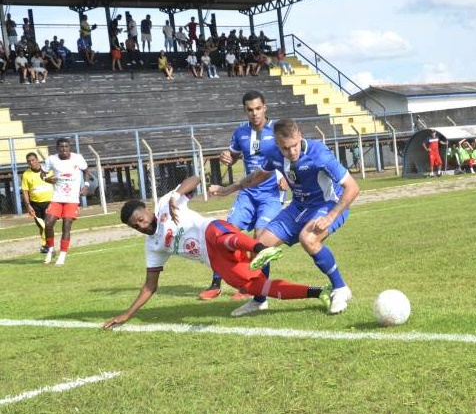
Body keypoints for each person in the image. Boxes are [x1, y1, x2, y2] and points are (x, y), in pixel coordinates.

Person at [102, 176, 329, 329]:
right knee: (254, 287)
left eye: (140, 219)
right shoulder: (153, 246)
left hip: (214, 232)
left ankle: (261, 249)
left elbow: (196, 179)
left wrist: (175, 195)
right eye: (135, 226)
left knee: (217, 235)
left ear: (148, 211)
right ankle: (319, 292)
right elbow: (150, 286)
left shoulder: (164, 204)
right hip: (215, 261)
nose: (141, 226)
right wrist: (128, 314)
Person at [209, 118, 360, 315]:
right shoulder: (274, 154)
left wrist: (330, 217)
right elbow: (258, 176)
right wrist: (231, 188)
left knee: (309, 238)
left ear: (300, 136)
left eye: (294, 145)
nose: (292, 152)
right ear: (277, 145)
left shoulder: (319, 153)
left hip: (327, 204)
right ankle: (259, 300)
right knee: (259, 246)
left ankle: (340, 289)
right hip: (299, 206)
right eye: (285, 148)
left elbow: (353, 187)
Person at [198, 90, 287, 315]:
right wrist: (227, 156)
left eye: (258, 108)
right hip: (247, 192)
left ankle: (258, 292)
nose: (255, 113)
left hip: (271, 193)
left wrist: (286, 178)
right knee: (225, 236)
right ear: (245, 111)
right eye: (250, 110)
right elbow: (235, 155)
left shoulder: (277, 131)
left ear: (265, 107)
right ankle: (216, 284)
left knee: (261, 241)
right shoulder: (240, 133)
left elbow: (291, 155)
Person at [40, 137, 93, 265]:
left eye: (66, 147)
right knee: (48, 223)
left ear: (70, 147)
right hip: (57, 197)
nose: (64, 149)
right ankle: (51, 249)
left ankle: (62, 255)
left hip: (72, 198)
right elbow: (42, 173)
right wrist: (47, 179)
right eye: (61, 147)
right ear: (57, 148)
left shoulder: (77, 158)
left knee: (66, 225)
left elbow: (86, 171)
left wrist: (85, 185)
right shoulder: (51, 159)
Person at [20, 152, 54, 253]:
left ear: (37, 160)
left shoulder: (48, 170)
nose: (31, 162)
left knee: (48, 225)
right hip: (35, 204)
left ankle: (49, 245)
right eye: (29, 161)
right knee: (41, 226)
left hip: (49, 202)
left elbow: (55, 183)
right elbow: (25, 191)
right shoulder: (26, 174)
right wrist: (28, 205)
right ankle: (46, 245)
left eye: (33, 160)